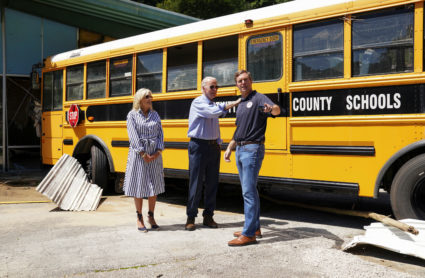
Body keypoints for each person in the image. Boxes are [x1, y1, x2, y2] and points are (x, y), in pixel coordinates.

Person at [224, 70, 280, 246]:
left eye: (246, 80)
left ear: (251, 81)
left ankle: (248, 234)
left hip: (252, 149)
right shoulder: (241, 103)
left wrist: (272, 110)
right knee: (249, 190)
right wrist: (229, 147)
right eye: (240, 81)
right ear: (236, 84)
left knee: (248, 192)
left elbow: (277, 110)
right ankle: (254, 227)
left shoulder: (258, 98)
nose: (243, 83)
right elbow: (239, 130)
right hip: (240, 148)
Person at [185, 76, 241, 231]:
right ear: (203, 88)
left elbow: (219, 108)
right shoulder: (198, 103)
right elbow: (214, 112)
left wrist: (218, 142)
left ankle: (208, 216)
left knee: (212, 183)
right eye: (212, 87)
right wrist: (236, 102)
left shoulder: (213, 103)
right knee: (195, 183)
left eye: (217, 87)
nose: (215, 89)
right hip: (199, 145)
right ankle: (191, 217)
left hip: (213, 147)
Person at [123, 88, 165, 232]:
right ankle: (139, 217)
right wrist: (142, 153)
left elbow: (160, 133)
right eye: (147, 96)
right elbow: (133, 136)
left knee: (154, 186)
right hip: (138, 155)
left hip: (154, 155)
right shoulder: (132, 115)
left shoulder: (155, 115)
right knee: (139, 186)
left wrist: (158, 152)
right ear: (140, 99)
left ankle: (151, 216)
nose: (150, 98)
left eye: (151, 96)